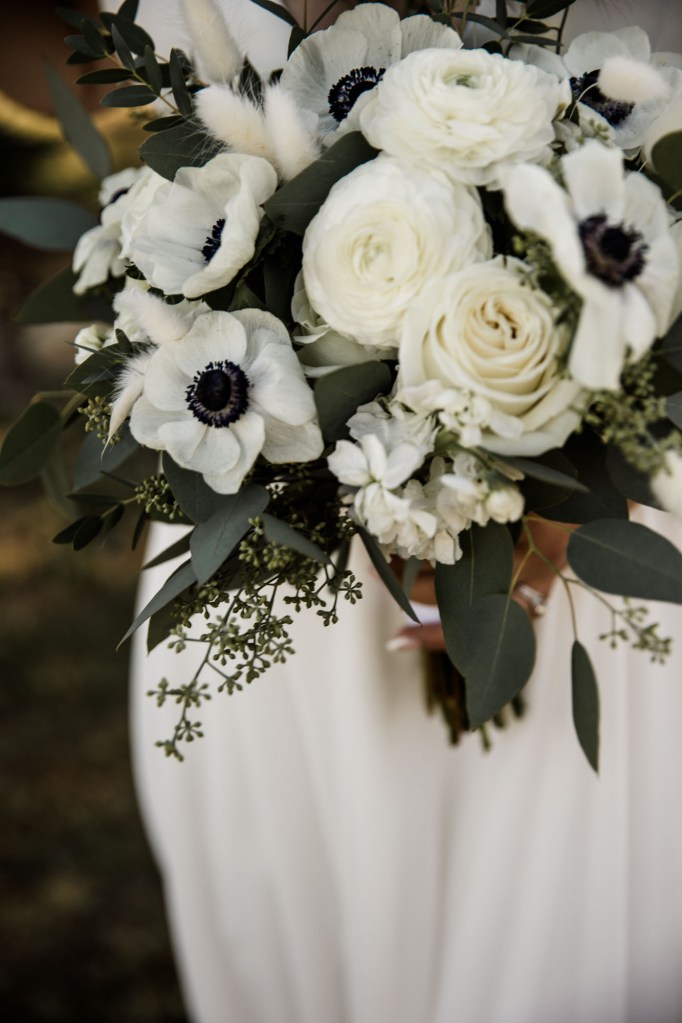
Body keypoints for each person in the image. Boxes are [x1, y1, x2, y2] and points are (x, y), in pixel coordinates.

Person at [130, 3, 682, 1021]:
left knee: (562, 896)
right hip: (266, 454)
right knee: (310, 896)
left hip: (617, 457)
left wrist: (560, 470)